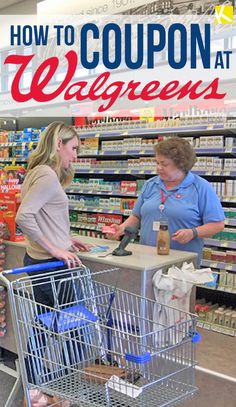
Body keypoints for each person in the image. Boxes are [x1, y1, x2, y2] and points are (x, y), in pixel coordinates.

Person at [16, 121, 90, 401]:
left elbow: (43, 217)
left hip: (40, 262)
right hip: (53, 267)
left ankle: (34, 387)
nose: (75, 156)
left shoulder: (37, 171)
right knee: (74, 330)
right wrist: (56, 250)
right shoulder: (47, 176)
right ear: (58, 144)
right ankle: (64, 389)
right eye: (73, 149)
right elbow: (25, 216)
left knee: (44, 325)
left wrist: (66, 242)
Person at [109, 137, 225, 267]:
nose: (158, 168)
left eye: (164, 164)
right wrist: (122, 228)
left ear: (181, 164)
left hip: (181, 264)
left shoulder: (201, 187)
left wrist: (193, 233)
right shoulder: (150, 184)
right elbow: (136, 216)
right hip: (146, 261)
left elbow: (218, 224)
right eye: (157, 163)